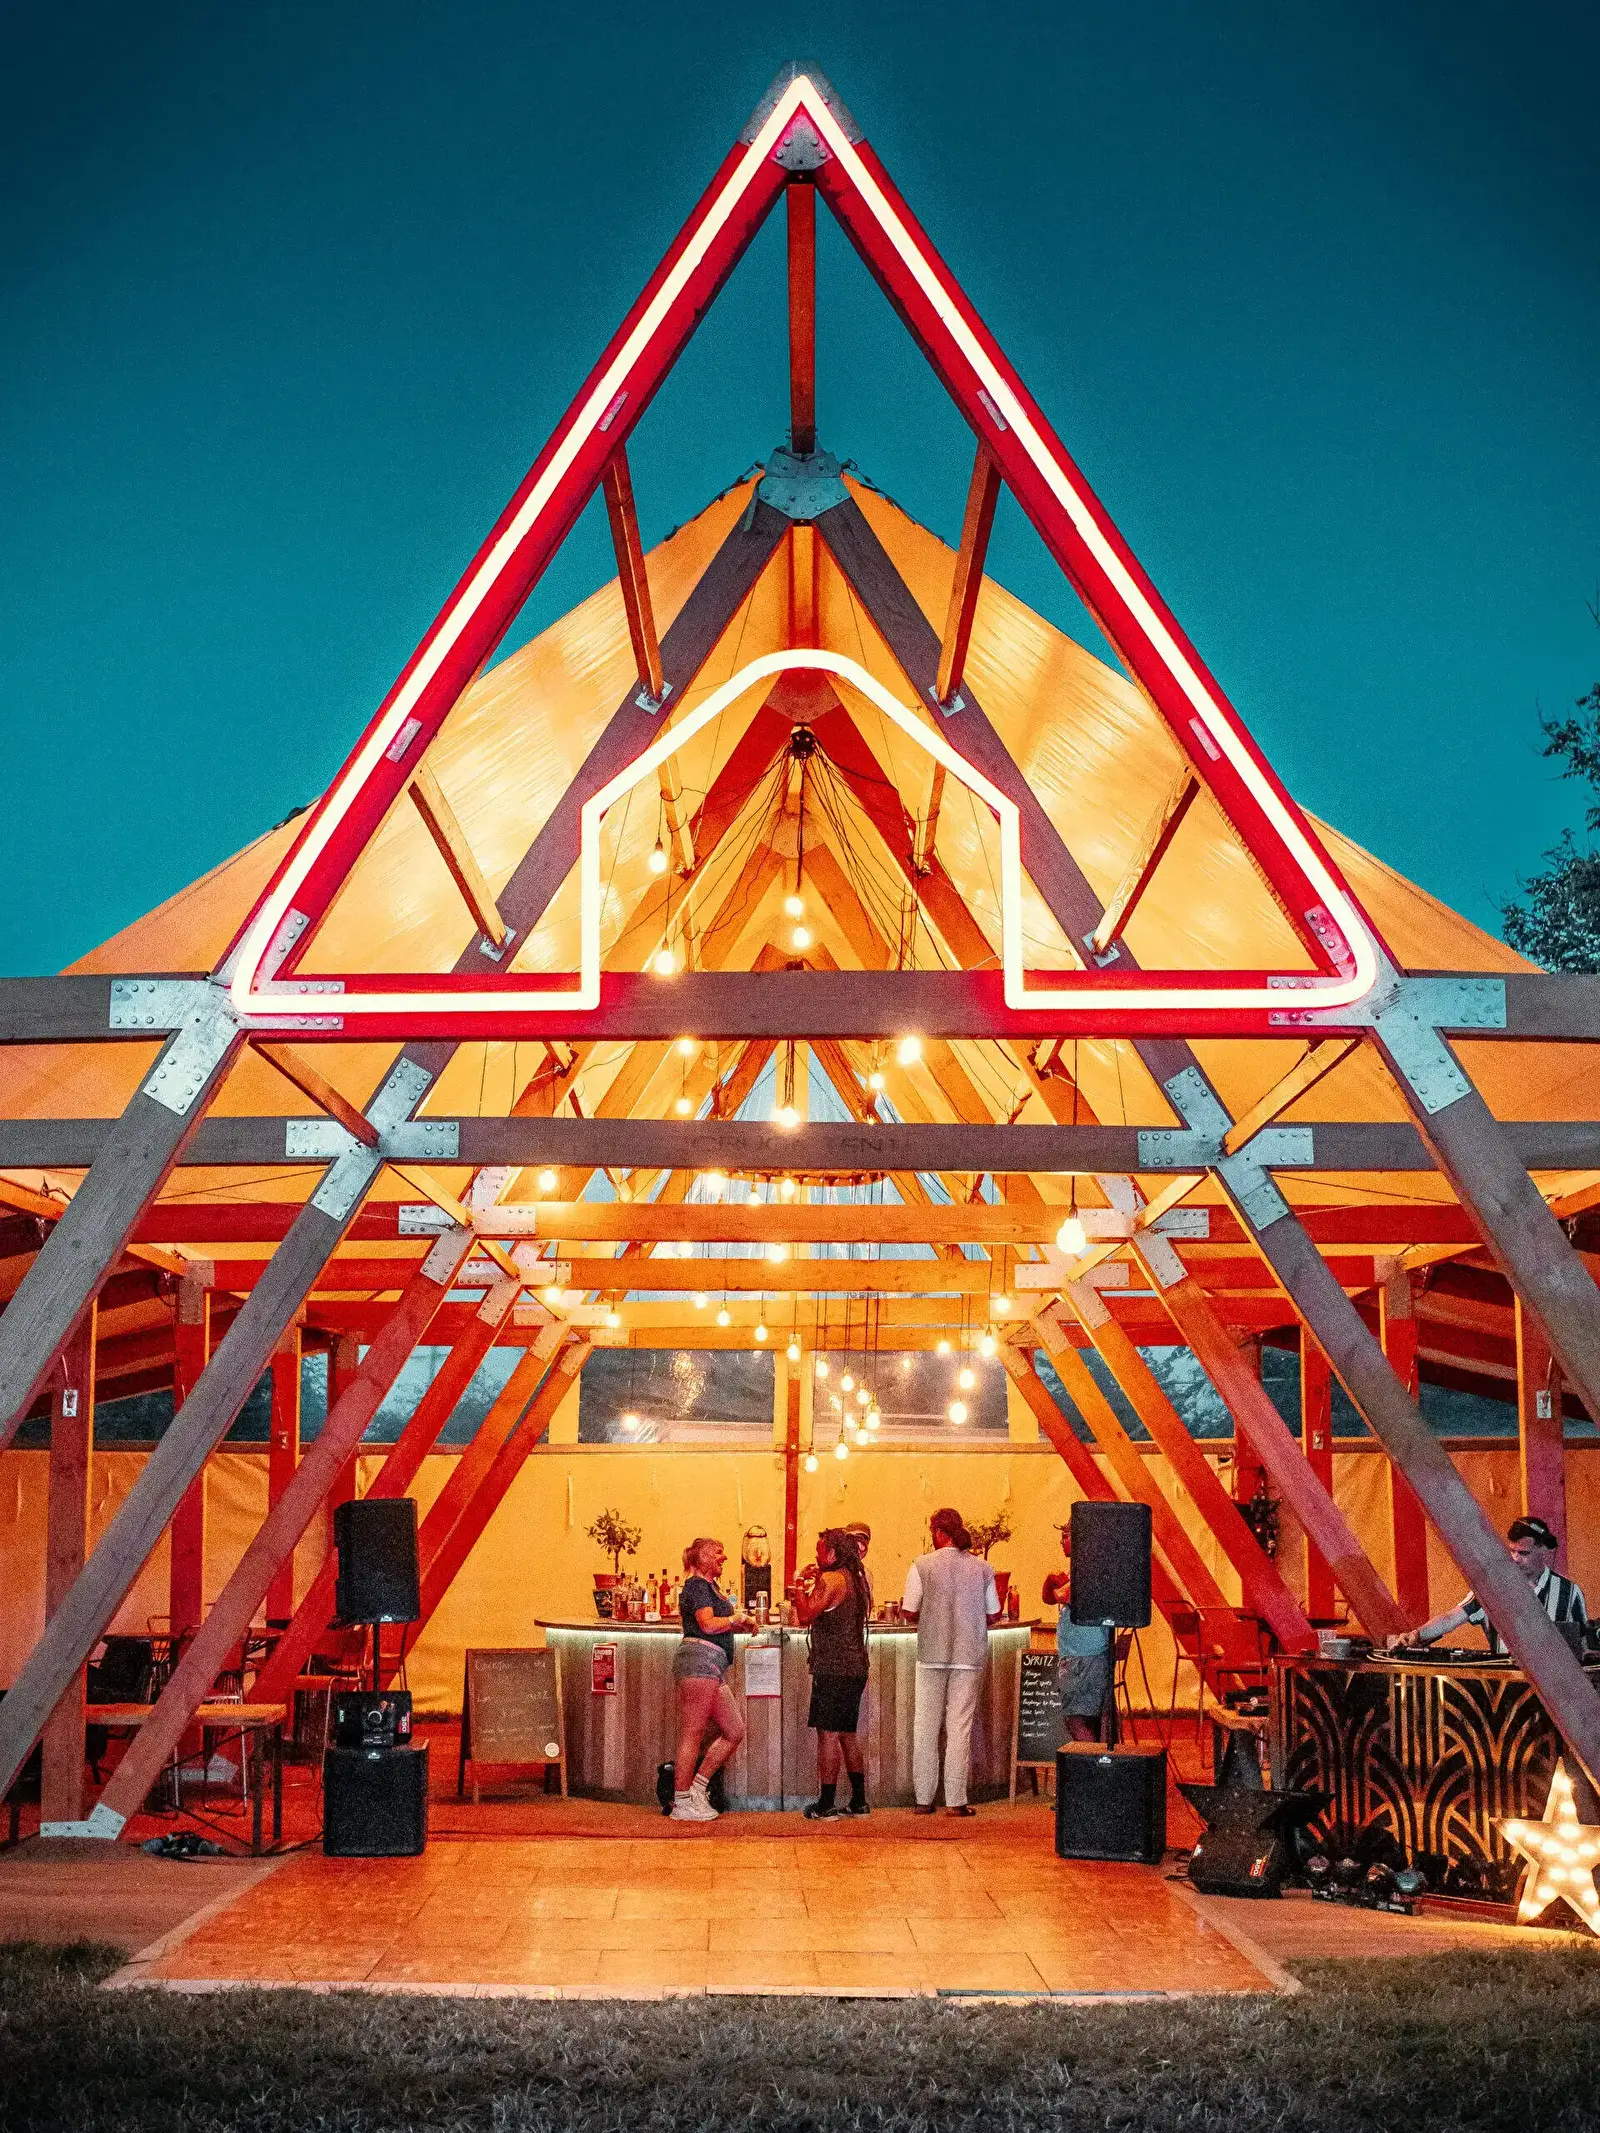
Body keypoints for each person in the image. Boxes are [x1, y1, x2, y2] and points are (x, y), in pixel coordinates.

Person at [902, 1508, 1001, 1817]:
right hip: (969, 1656)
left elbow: (909, 1611)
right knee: (960, 1728)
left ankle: (923, 1799)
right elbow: (994, 1614)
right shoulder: (983, 1568)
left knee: (925, 1727)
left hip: (931, 1654)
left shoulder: (921, 1565)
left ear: (939, 1532)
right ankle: (956, 1801)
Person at [1384, 1515, 1588, 1656]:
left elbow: (1585, 1645)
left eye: (1523, 1553)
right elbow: (1451, 1617)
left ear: (1544, 1550)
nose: (1515, 1558)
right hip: (1507, 1686)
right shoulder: (1491, 1587)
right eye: (1512, 1551)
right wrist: (1417, 1634)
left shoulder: (1570, 1592)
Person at [670, 1536, 754, 1822]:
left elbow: (717, 1624)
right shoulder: (697, 1585)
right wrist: (736, 1619)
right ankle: (682, 1802)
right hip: (699, 1661)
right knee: (693, 1732)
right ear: (703, 1557)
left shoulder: (710, 1587)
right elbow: (706, 1624)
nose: (724, 1558)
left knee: (734, 1730)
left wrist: (738, 1623)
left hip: (712, 1665)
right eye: (718, 1552)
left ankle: (697, 1789)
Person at [792, 1528, 872, 1820]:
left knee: (828, 1734)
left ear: (833, 1553)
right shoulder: (855, 1578)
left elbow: (805, 1615)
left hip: (833, 1668)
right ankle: (859, 1802)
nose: (816, 1556)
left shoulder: (831, 1579)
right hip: (855, 1666)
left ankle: (826, 1805)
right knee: (847, 1734)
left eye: (819, 1550)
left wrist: (798, 1583)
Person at [1042, 1523, 1111, 1742]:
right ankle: (1094, 1757)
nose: (1061, 1542)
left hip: (1082, 1656)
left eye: (1066, 1536)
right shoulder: (1085, 1567)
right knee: (1086, 1719)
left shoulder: (1087, 1567)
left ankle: (1090, 1760)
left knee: (1075, 1719)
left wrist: (1057, 1582)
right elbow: (1049, 1598)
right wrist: (1050, 1579)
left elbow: (1065, 1595)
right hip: (1082, 1654)